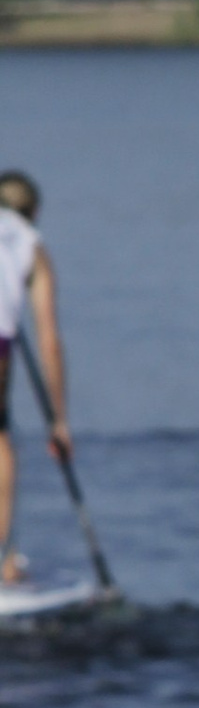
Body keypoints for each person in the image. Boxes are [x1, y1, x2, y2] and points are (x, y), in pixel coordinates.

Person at [0, 168, 72, 584]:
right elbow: (49, 341)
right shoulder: (30, 244)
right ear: (35, 212)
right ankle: (5, 562)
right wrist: (58, 422)